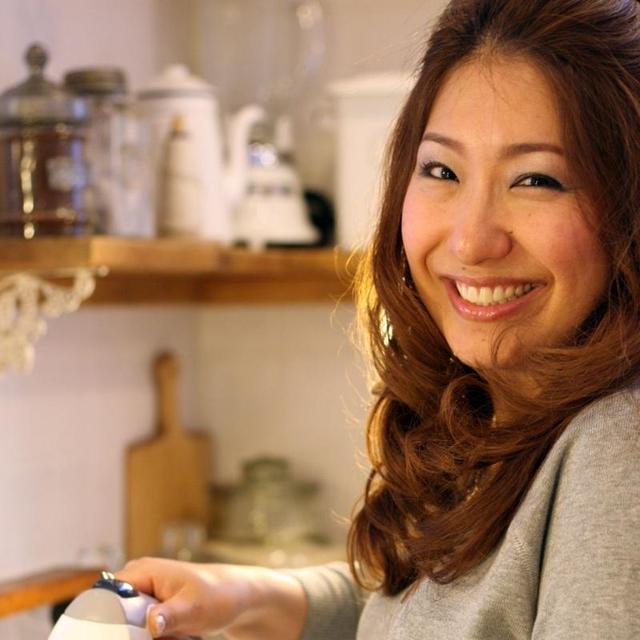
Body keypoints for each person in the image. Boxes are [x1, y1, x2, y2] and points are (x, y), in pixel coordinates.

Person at [116, 0, 640, 637]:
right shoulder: (498, 410)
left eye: (537, 180)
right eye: (441, 170)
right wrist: (251, 593)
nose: (472, 241)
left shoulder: (620, 448)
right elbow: (414, 610)